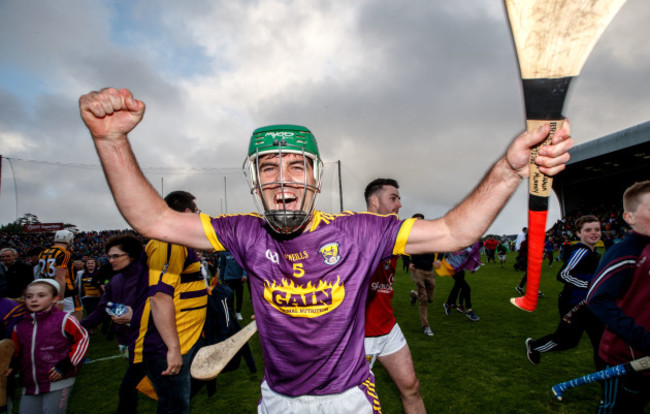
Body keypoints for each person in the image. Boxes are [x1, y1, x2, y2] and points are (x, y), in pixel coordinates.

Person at [79, 87, 572, 413]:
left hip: (348, 400)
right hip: (277, 399)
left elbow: (451, 233)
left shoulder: (358, 230)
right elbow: (152, 219)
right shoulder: (244, 232)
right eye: (268, 168)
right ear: (254, 181)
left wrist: (508, 171)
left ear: (315, 178)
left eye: (297, 167)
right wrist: (111, 140)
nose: (283, 181)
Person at [363, 179, 426, 414]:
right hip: (360, 333)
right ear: (374, 201)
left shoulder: (394, 233)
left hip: (388, 327)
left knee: (411, 387)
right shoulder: (355, 232)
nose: (399, 203)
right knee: (357, 401)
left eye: (399, 198)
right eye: (393, 198)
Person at [587, 181, 650, 413]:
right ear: (629, 217)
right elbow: (597, 299)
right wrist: (644, 340)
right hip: (626, 361)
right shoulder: (625, 252)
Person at [144, 190, 208, 414]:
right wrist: (172, 348)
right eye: (197, 211)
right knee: (174, 406)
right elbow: (160, 296)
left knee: (181, 399)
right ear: (188, 212)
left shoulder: (180, 240)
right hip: (173, 342)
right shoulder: (167, 241)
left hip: (187, 337)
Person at [81, 235, 150, 414]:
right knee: (139, 388)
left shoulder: (150, 277)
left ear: (132, 256)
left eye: (116, 256)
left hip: (151, 343)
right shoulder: (115, 281)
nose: (110, 260)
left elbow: (165, 311)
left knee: (128, 390)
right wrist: (76, 326)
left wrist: (135, 317)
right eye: (109, 256)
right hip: (128, 342)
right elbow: (103, 309)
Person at [525, 215, 603, 368]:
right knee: (568, 341)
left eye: (597, 229)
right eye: (588, 230)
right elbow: (563, 274)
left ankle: (606, 378)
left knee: (601, 342)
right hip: (573, 304)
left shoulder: (596, 253)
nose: (594, 233)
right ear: (579, 233)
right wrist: (588, 286)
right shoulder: (581, 252)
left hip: (590, 304)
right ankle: (534, 346)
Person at [8, 279, 89, 414]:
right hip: (29, 384)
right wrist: (12, 367)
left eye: (41, 295)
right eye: (29, 296)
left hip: (58, 381)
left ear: (55, 299)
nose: (34, 300)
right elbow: (16, 353)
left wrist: (66, 365)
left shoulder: (64, 319)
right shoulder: (19, 326)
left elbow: (83, 339)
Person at [37, 230, 83, 320]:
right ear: (70, 240)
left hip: (49, 289)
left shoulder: (43, 253)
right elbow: (60, 277)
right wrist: (60, 299)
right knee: (75, 317)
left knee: (53, 318)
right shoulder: (64, 253)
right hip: (66, 292)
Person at [408, 214, 437, 337]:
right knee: (424, 300)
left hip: (429, 271)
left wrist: (439, 259)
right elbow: (402, 250)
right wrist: (408, 262)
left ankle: (414, 294)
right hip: (418, 270)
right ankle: (425, 326)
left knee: (430, 298)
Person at [439, 242, 482, 321]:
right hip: (454, 270)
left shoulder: (464, 246)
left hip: (461, 270)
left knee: (457, 286)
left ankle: (448, 304)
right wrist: (440, 262)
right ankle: (469, 311)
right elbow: (441, 254)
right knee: (466, 288)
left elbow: (472, 254)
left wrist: (475, 262)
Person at [218, 251, 248, 321]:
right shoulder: (224, 252)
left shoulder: (239, 250)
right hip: (228, 278)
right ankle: (231, 313)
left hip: (239, 278)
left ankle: (238, 312)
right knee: (230, 298)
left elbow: (244, 264)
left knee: (239, 296)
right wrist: (221, 277)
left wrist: (244, 274)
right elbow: (222, 265)